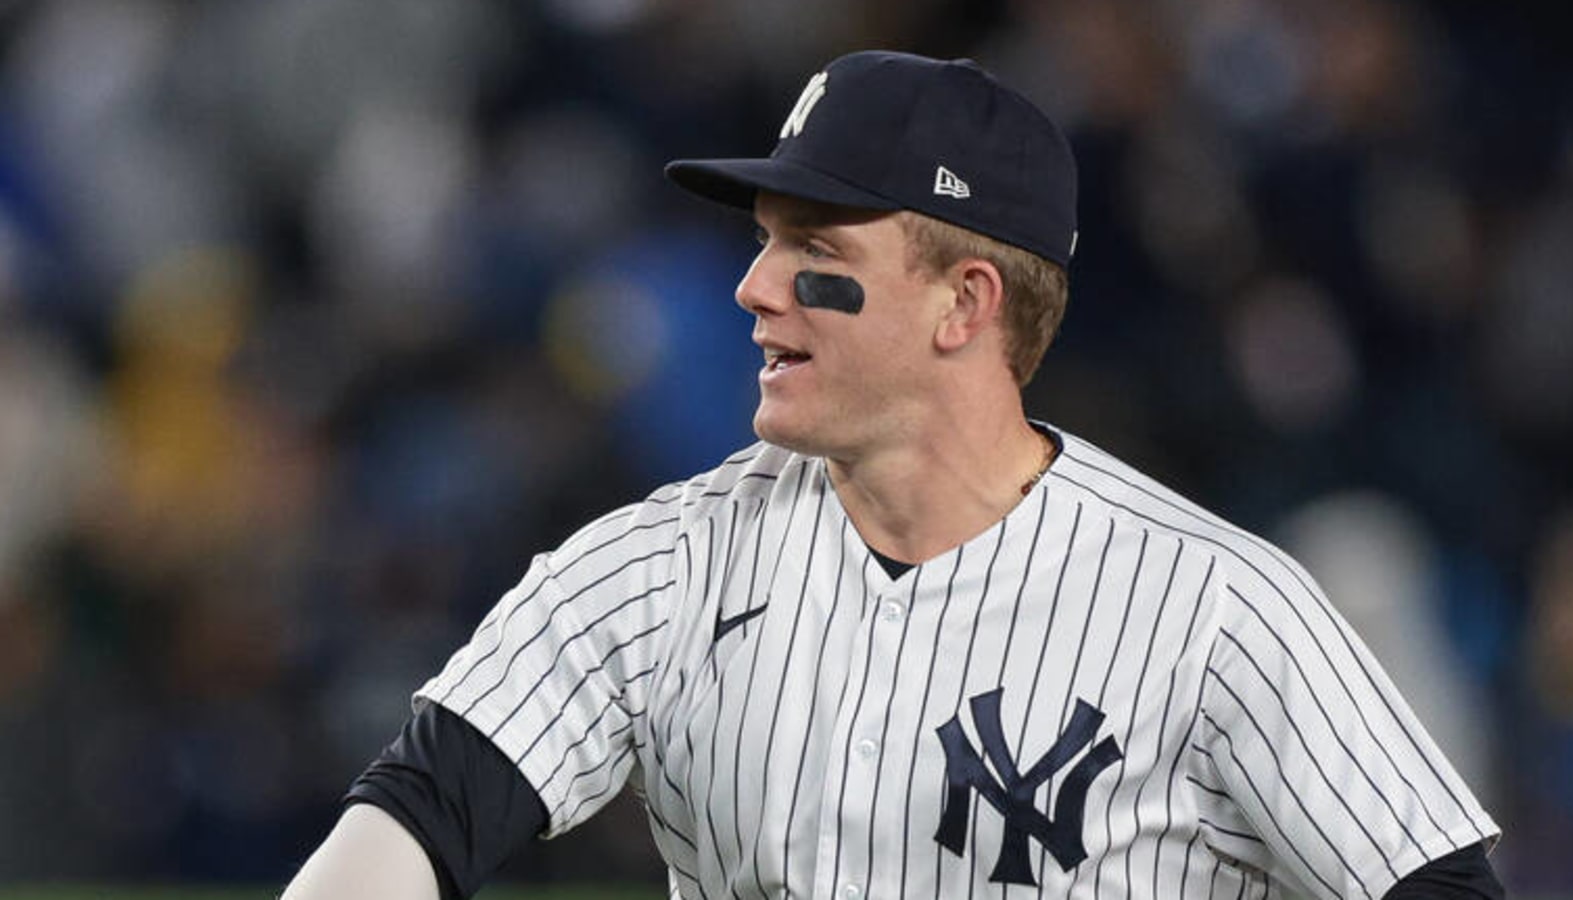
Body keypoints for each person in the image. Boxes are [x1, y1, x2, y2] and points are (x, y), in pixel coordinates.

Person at [282, 50, 1503, 900]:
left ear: (964, 304)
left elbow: (1433, 882)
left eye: (815, 249)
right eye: (761, 240)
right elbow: (423, 809)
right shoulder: (661, 569)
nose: (754, 289)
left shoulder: (1217, 610)